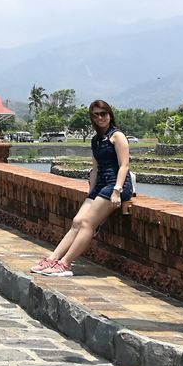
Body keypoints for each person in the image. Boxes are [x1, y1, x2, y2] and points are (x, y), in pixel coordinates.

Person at [31, 99, 134, 278]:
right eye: (96, 115)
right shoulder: (96, 140)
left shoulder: (117, 136)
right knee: (78, 221)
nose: (100, 118)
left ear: (110, 115)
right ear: (92, 118)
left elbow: (124, 165)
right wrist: (90, 194)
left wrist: (117, 190)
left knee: (88, 224)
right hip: (101, 186)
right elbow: (95, 168)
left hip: (117, 185)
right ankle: (53, 258)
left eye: (104, 114)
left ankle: (65, 264)